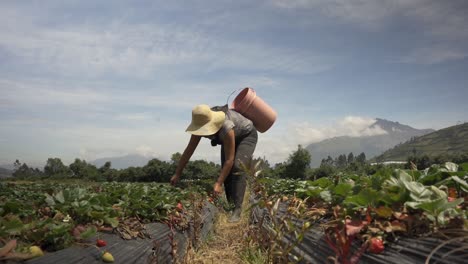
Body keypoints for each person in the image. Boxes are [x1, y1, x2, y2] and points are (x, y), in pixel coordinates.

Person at [170, 104, 257, 222]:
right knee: (225, 172)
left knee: (237, 167)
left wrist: (218, 183)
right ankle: (230, 205)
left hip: (246, 136)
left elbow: (229, 160)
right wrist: (177, 173)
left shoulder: (225, 126)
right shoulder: (199, 126)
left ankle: (237, 209)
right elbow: (189, 150)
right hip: (229, 138)